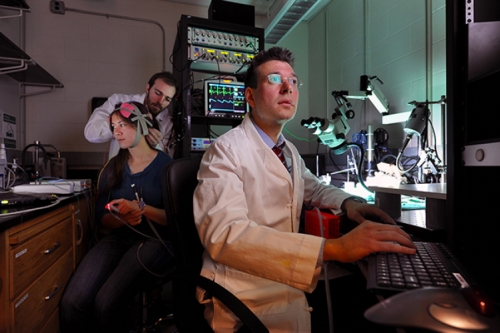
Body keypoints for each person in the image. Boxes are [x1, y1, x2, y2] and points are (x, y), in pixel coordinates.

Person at [193, 46, 417, 332]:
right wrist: (332, 248)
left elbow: (313, 188)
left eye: (293, 81)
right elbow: (226, 236)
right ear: (249, 96)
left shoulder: (287, 150)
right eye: (274, 79)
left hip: (284, 275)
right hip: (244, 292)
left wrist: (349, 202)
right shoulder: (225, 152)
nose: (288, 87)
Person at [60, 101, 174, 333]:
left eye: (123, 124)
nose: (116, 132)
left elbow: (175, 221)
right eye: (113, 126)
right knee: (73, 303)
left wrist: (140, 208)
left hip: (155, 241)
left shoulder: (167, 167)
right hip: (118, 239)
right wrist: (120, 218)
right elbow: (102, 217)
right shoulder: (113, 168)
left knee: (106, 303)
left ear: (142, 124)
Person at [84, 71, 178, 159]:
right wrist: (122, 122)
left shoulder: (169, 123)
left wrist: (155, 147)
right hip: (118, 171)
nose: (160, 101)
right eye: (157, 93)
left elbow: (167, 161)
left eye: (167, 99)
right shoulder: (118, 101)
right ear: (148, 88)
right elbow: (90, 133)